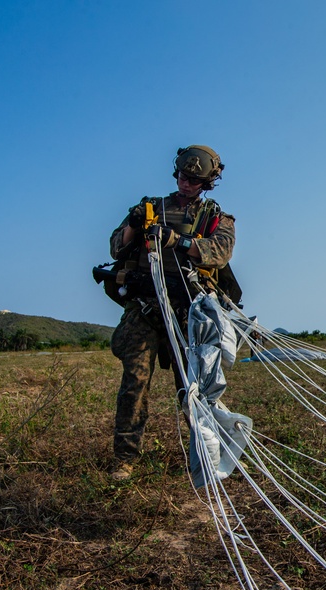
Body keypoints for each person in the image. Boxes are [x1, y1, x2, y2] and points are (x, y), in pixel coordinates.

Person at [107, 145, 236, 481]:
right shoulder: (150, 208)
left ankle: (210, 453)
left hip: (189, 314)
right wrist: (136, 224)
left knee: (194, 387)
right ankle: (124, 459)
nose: (186, 183)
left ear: (207, 181)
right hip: (146, 308)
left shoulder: (214, 217)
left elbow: (219, 253)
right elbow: (116, 246)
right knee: (134, 382)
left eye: (194, 179)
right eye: (182, 176)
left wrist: (177, 241)